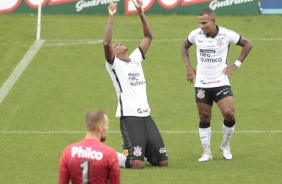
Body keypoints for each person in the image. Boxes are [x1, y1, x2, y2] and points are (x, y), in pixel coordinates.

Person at [180, 8, 252, 162]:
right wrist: (187, 66)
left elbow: (248, 44)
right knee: (204, 117)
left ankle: (225, 145)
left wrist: (236, 64)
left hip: (221, 81)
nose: (201, 26)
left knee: (229, 113)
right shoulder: (196, 35)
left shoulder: (226, 34)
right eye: (199, 23)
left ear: (213, 21)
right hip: (202, 83)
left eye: (204, 22)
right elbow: (184, 46)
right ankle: (207, 152)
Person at [103, 0, 168, 169]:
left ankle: (134, 148)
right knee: (137, 163)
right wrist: (111, 17)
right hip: (130, 117)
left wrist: (141, 12)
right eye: (115, 45)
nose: (117, 43)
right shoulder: (114, 65)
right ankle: (112, 155)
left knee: (162, 161)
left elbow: (148, 37)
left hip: (146, 115)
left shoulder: (135, 59)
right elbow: (106, 43)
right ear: (114, 54)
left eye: (118, 43)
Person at [58, 109, 120, 184]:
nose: (107, 128)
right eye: (106, 125)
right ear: (100, 127)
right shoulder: (109, 154)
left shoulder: (68, 152)